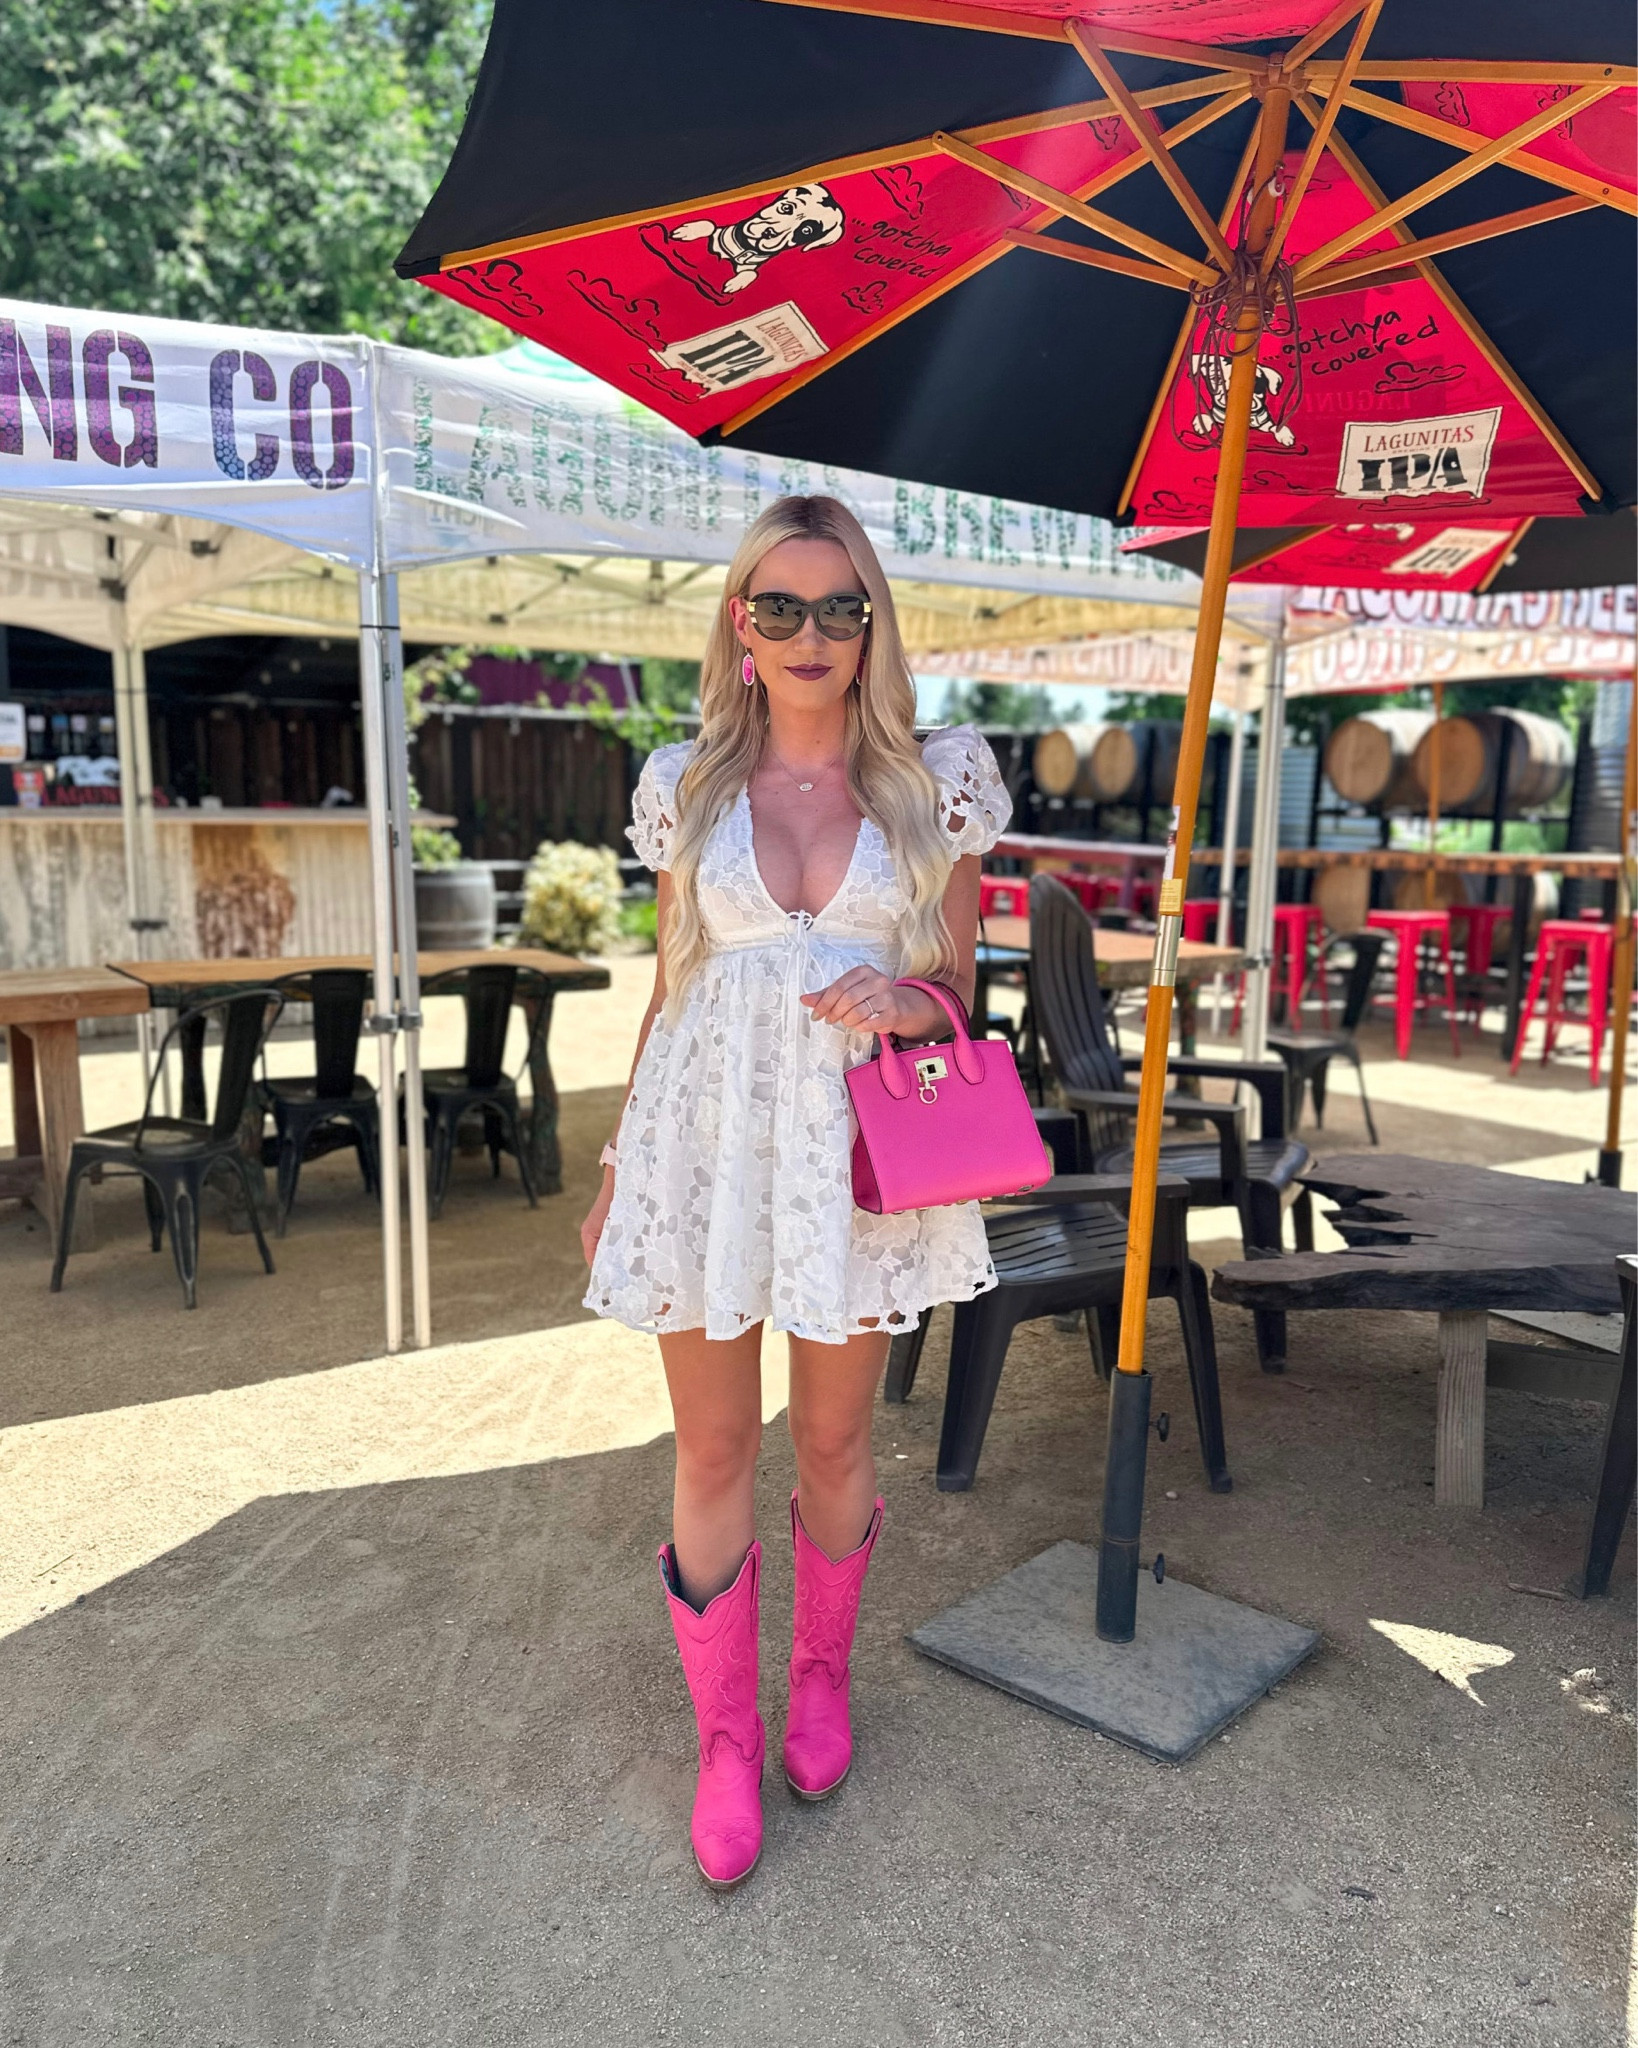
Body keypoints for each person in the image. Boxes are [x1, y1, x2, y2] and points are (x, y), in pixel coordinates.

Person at [580, 494, 1010, 1890]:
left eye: (839, 607)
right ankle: (724, 1740)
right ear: (741, 623)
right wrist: (617, 1172)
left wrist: (906, 997)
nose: (810, 632)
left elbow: (957, 986)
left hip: (856, 1162)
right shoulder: (687, 784)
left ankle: (819, 1677)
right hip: (702, 1154)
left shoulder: (936, 783)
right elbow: (670, 992)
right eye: (781, 605)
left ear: (871, 624)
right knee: (712, 1453)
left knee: (831, 1443)